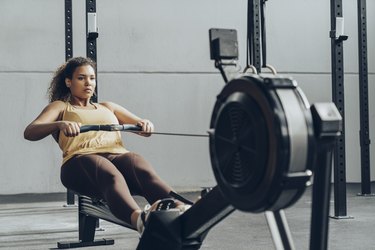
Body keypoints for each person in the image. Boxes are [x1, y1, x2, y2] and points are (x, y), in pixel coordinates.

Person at [24, 56, 187, 234]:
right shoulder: (61, 107)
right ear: (68, 81)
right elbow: (30, 131)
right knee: (107, 171)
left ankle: (182, 208)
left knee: (137, 163)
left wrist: (146, 124)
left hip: (115, 155)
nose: (88, 83)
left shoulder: (107, 107)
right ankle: (140, 220)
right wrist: (59, 124)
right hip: (79, 163)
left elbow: (142, 126)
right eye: (81, 78)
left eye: (92, 78)